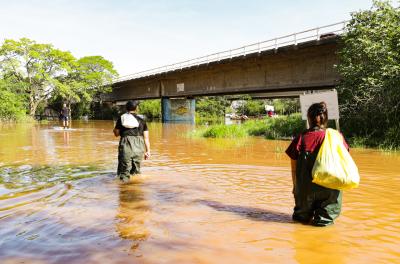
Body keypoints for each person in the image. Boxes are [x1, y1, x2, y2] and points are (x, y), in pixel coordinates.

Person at [285, 102, 349, 226]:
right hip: (331, 189)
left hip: (305, 189)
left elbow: (294, 169)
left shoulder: (301, 138)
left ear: (309, 118)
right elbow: (345, 162)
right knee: (324, 224)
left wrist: (295, 188)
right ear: (326, 118)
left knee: (300, 222)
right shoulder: (337, 137)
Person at [113, 100, 151, 182]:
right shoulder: (142, 120)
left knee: (123, 173)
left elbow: (116, 134)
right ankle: (136, 190)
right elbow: (146, 138)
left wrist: (116, 129)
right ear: (136, 108)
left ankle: (123, 192)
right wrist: (148, 151)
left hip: (126, 145)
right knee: (136, 172)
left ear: (126, 108)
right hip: (139, 146)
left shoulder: (122, 119)